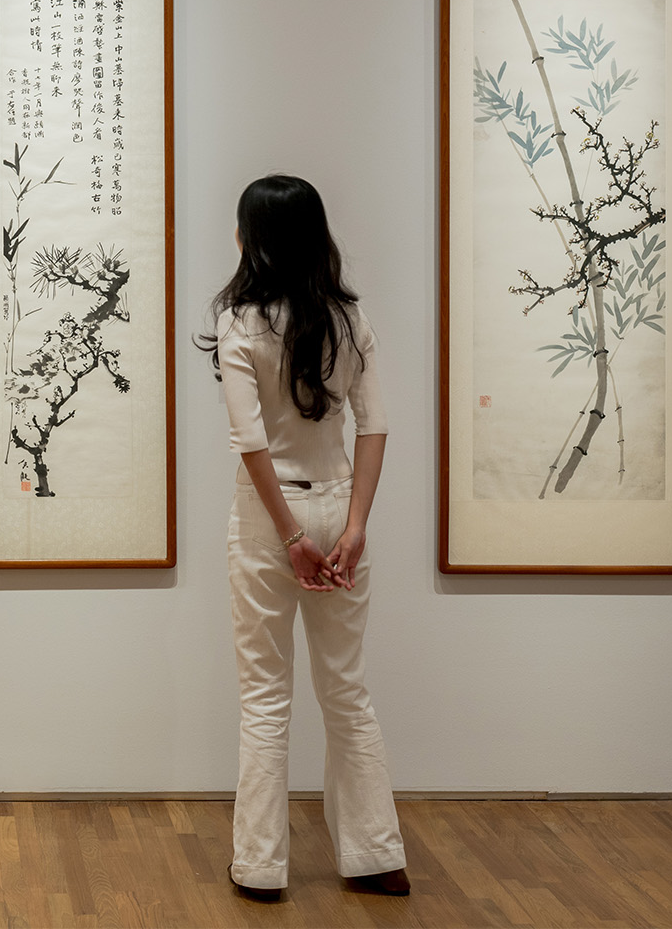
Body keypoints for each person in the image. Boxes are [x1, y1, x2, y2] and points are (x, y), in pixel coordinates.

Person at [198, 174, 410, 901]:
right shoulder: (350, 319)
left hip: (271, 516)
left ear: (252, 238)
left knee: (265, 697)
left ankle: (260, 867)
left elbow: (250, 442)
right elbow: (375, 427)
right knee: (346, 689)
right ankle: (377, 856)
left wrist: (291, 535)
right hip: (339, 503)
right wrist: (355, 526)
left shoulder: (240, 322)